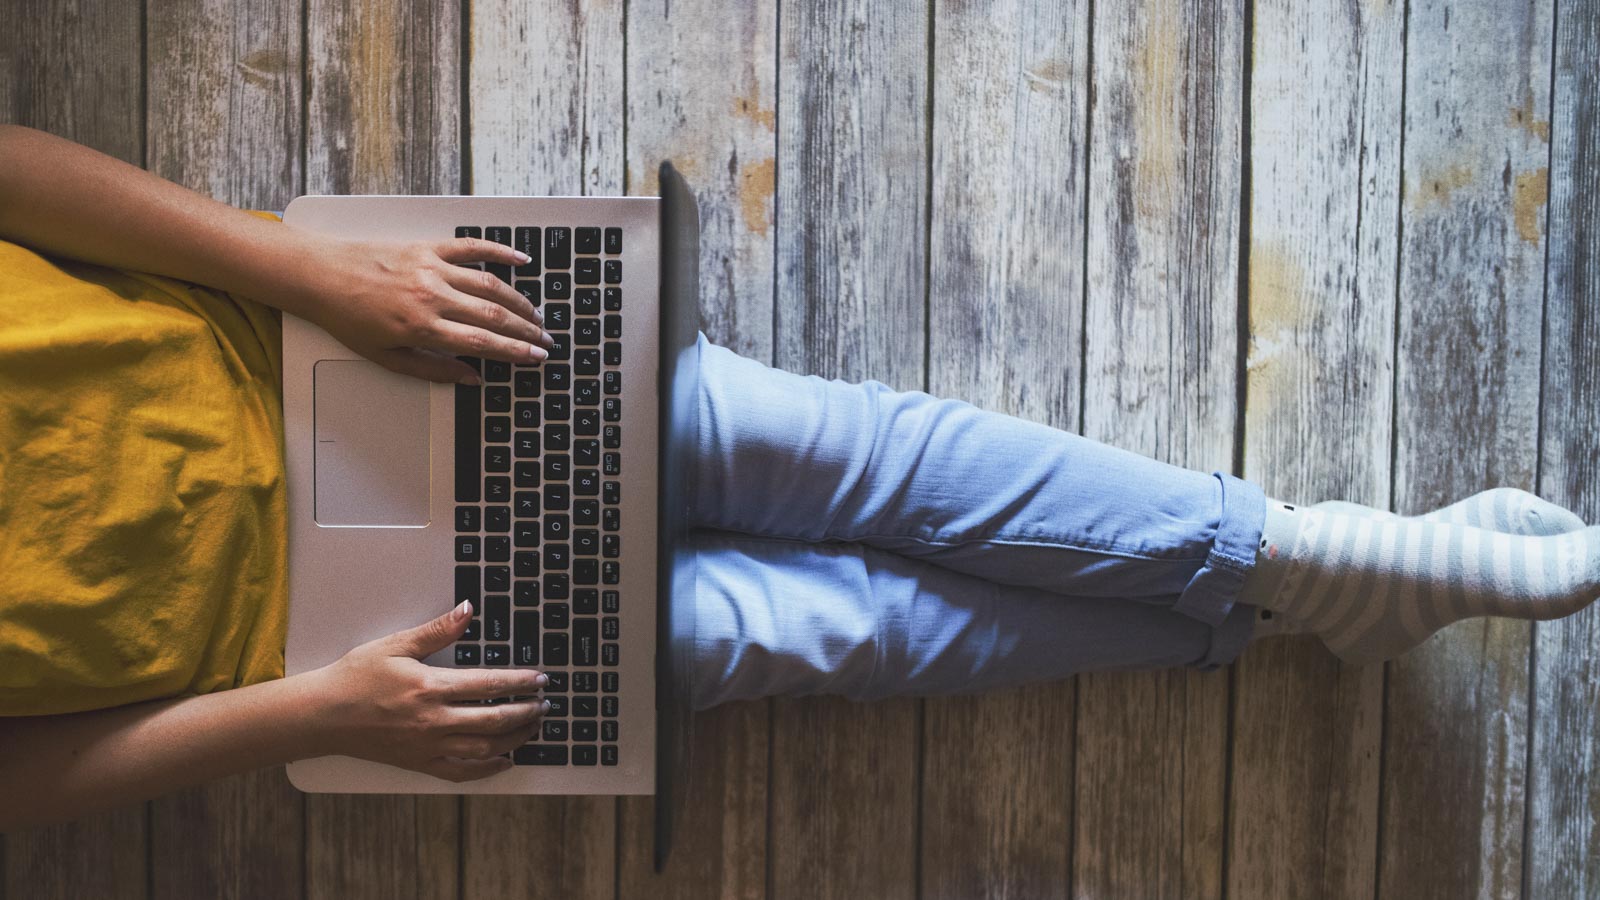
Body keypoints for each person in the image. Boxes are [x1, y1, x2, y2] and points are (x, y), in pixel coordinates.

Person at [0, 125, 1593, 830]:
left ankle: (1300, 565)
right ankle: (1295, 594)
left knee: (850, 455)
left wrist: (304, 271)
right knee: (815, 635)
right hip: (331, 656)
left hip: (344, 367)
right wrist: (320, 720)